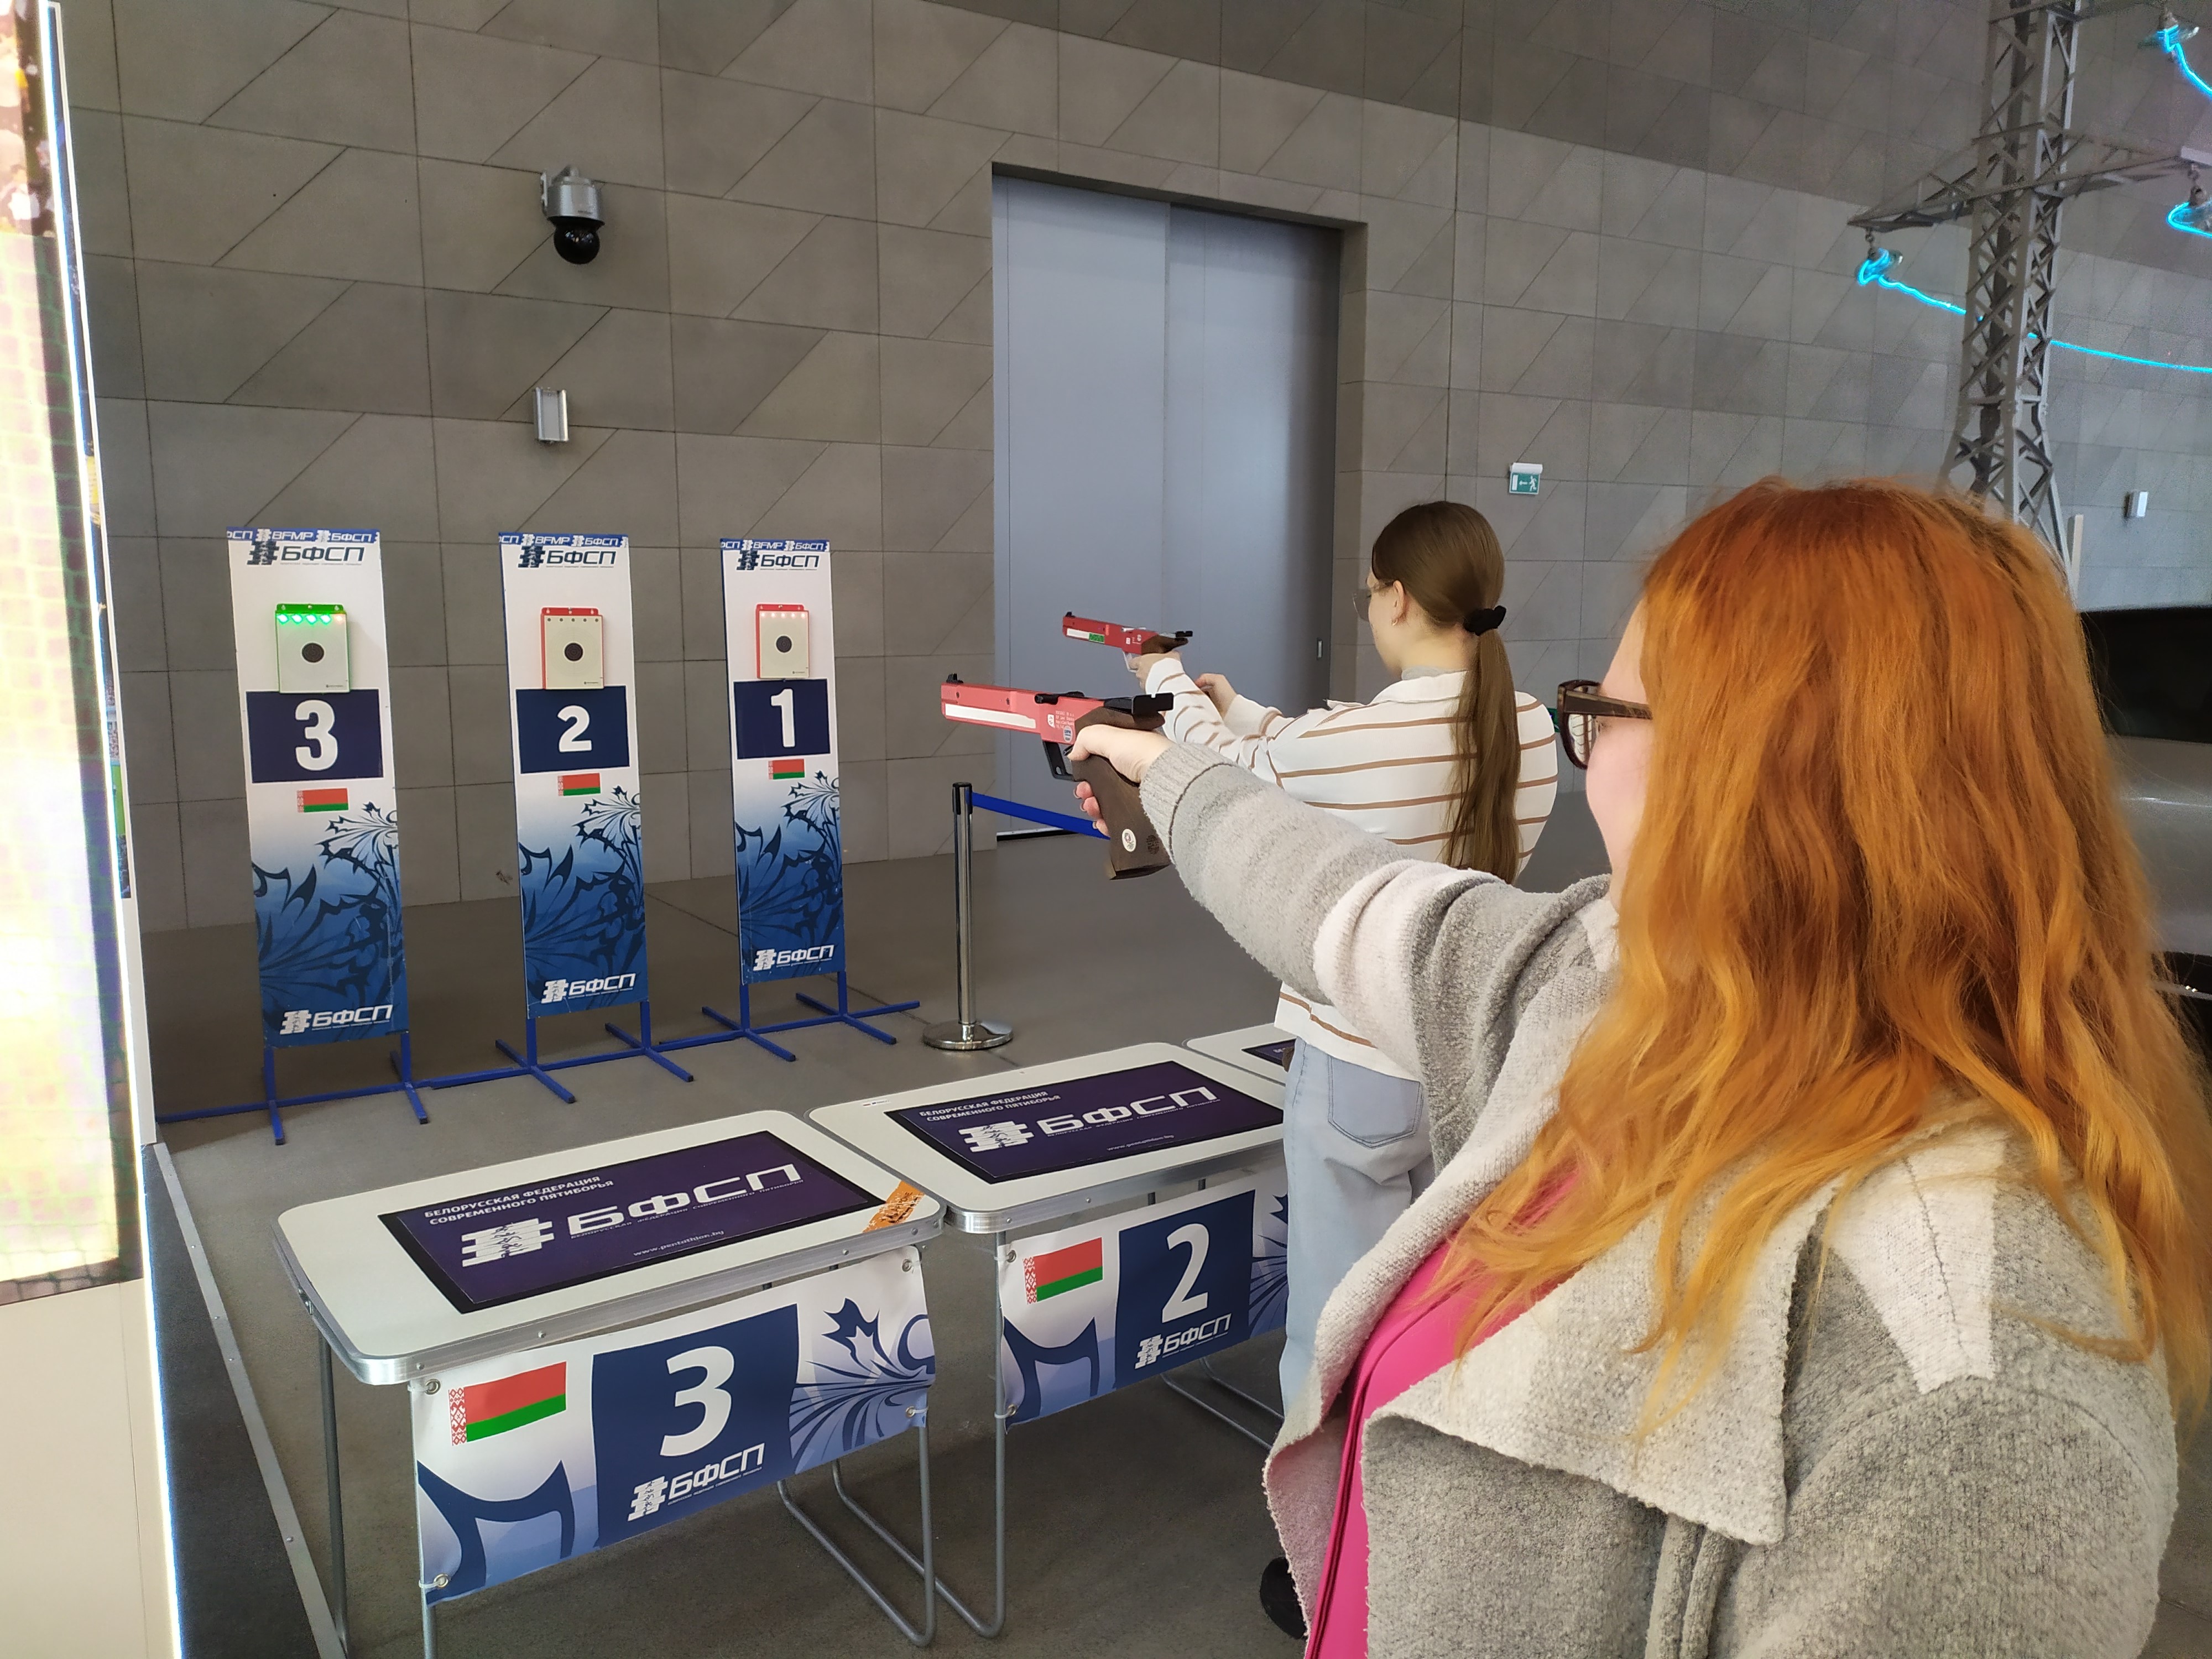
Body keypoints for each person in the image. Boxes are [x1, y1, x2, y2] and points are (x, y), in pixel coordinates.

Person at [1071, 478, 2212, 1656]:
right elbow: (1340, 896)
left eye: (1605, 712)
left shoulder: (1976, 1391)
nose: (1589, 750)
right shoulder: (1620, 976)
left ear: (1753, 766)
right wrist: (1166, 774)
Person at [1128, 501, 1556, 1429]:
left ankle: (1326, 1513)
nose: (1370, 611)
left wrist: (1164, 679)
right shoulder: (1527, 723)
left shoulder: (1365, 743)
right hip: (1475, 1056)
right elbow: (1313, 748)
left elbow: (1226, 772)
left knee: (1335, 1317)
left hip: (1360, 1057)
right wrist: (1239, 704)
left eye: (1369, 595)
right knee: (1433, 1304)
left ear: (1397, 598)